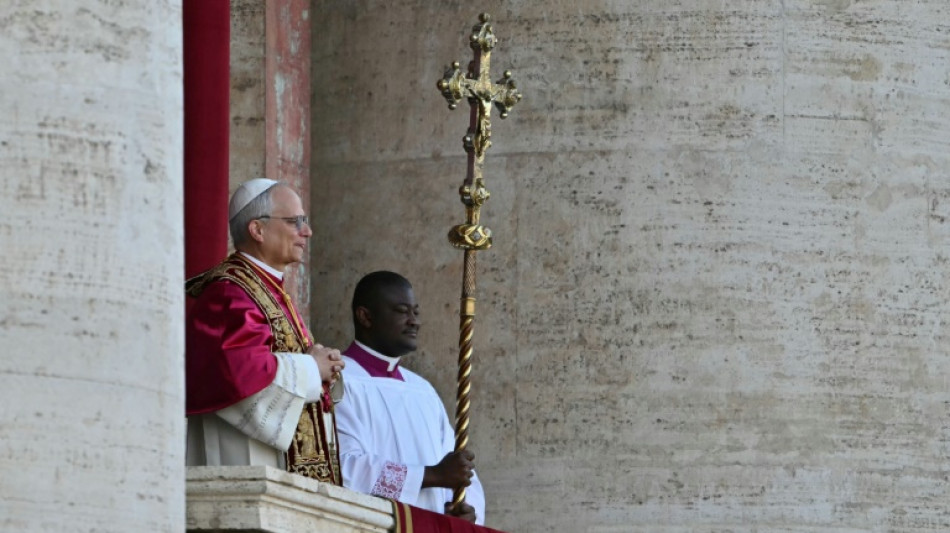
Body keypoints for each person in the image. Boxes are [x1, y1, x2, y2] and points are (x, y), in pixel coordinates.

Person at [185, 178, 345, 484]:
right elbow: (237, 372)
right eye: (295, 221)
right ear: (257, 230)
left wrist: (325, 366)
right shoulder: (230, 293)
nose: (307, 231)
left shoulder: (269, 289)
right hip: (244, 467)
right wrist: (312, 369)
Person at [335, 271, 486, 524]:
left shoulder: (422, 390)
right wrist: (432, 475)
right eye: (402, 311)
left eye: (415, 312)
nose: (414, 321)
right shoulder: (337, 379)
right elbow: (343, 468)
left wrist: (466, 508)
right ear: (365, 316)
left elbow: (456, 466)